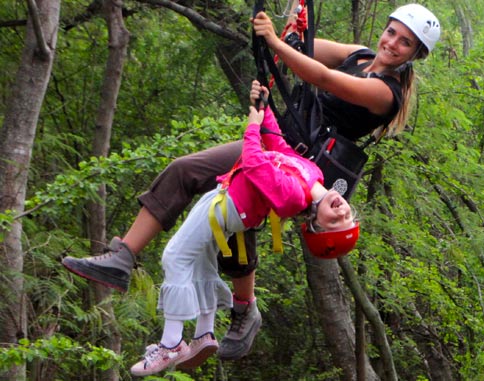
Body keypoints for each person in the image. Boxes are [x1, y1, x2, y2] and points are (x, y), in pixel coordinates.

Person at [61, 3, 440, 361]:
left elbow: (321, 76)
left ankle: (243, 308)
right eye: (392, 32)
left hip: (301, 165)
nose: (392, 43)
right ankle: (124, 258)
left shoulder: (384, 94)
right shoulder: (359, 56)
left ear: (415, 54)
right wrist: (291, 30)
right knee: (189, 174)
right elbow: (305, 48)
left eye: (404, 42)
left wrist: (276, 41)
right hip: (276, 141)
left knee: (233, 213)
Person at [126, 81, 359, 376]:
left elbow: (254, 162)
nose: (341, 211)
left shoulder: (293, 196)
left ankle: (171, 343)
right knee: (200, 262)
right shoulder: (313, 173)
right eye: (347, 215)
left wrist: (252, 126)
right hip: (226, 203)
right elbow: (278, 145)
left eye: (335, 222)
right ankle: (204, 333)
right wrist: (266, 106)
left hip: (226, 207)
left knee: (174, 257)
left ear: (315, 224)